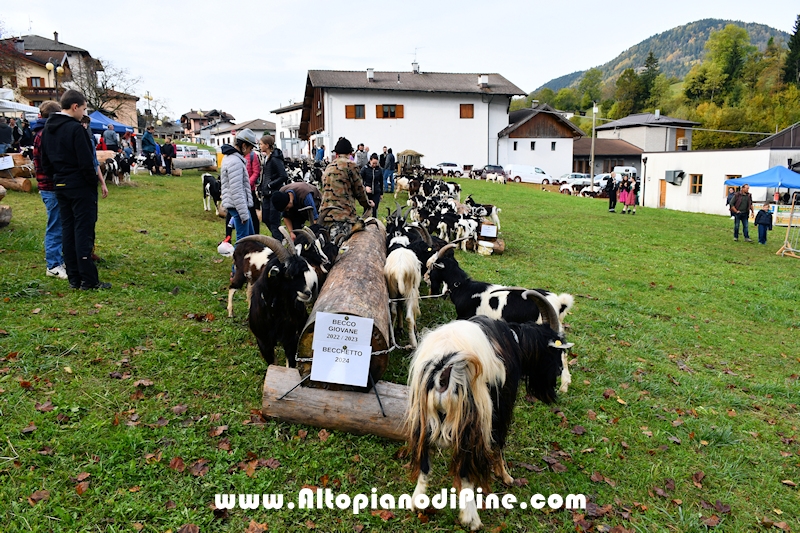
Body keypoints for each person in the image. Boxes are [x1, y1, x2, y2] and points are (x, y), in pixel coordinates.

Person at [42, 89, 110, 290]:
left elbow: (45, 163)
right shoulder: (75, 129)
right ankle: (88, 280)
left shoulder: (48, 129)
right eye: (83, 108)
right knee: (83, 231)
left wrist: (59, 176)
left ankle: (74, 278)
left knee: (68, 230)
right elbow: (86, 162)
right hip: (80, 187)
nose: (84, 112)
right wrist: (91, 183)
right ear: (74, 107)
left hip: (60, 185)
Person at [33, 101, 66, 279]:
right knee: (55, 225)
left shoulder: (40, 133)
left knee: (58, 224)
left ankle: (58, 259)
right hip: (50, 187)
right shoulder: (45, 134)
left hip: (48, 185)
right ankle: (53, 264)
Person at [318, 137, 374, 241]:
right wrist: (368, 205)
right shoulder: (350, 165)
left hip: (324, 217)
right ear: (350, 153)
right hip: (342, 217)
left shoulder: (329, 166)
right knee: (341, 252)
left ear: (336, 154)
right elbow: (359, 190)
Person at [220, 128, 257, 243]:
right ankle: (237, 262)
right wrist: (243, 214)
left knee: (251, 237)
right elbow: (237, 190)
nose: (250, 152)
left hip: (238, 205)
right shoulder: (235, 162)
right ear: (244, 145)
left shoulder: (231, 158)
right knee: (243, 241)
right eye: (250, 148)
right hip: (238, 206)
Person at [258, 134, 290, 239]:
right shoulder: (267, 158)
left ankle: (278, 241)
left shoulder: (275, 159)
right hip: (267, 194)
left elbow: (283, 176)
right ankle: (279, 237)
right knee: (265, 218)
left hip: (274, 193)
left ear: (267, 145)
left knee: (273, 220)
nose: (259, 146)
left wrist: (270, 184)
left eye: (261, 144)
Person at [245, 142, 261, 234]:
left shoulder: (252, 156)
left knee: (252, 213)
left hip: (250, 190)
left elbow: (256, 171)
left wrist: (249, 183)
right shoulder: (238, 156)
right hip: (239, 189)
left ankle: (256, 235)